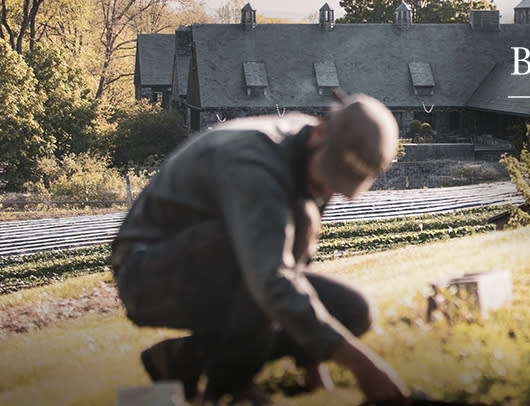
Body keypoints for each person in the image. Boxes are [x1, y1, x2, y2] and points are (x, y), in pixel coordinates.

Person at [111, 94, 411, 405]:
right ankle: (229, 388)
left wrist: (313, 365)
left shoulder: (313, 152)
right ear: (321, 132)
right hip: (146, 275)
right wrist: (363, 367)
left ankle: (182, 360)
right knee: (263, 274)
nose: (327, 191)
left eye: (339, 185)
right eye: (330, 177)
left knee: (351, 310)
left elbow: (295, 260)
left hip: (223, 262)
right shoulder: (253, 161)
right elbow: (270, 277)